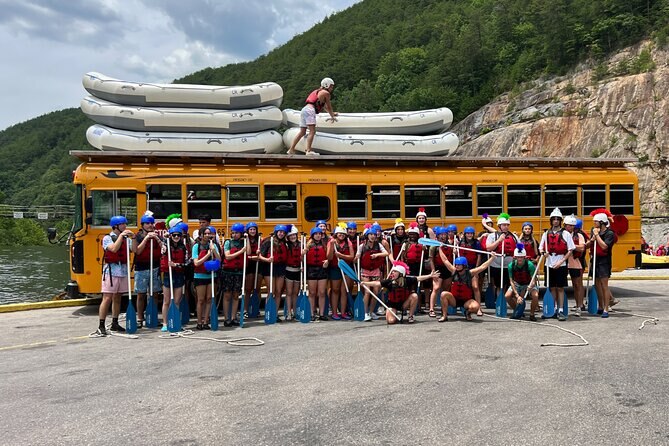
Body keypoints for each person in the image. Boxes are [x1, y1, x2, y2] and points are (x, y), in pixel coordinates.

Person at [361, 261, 439, 325]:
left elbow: (419, 278)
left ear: (401, 273)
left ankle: (410, 316)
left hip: (403, 305)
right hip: (393, 306)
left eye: (395, 272)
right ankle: (392, 314)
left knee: (414, 295)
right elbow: (376, 283)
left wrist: (430, 275)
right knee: (391, 321)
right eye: (393, 272)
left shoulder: (407, 280)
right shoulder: (389, 282)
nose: (392, 273)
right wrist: (365, 283)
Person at [97, 215, 134, 335]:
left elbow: (134, 250)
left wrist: (133, 238)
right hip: (111, 272)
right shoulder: (107, 238)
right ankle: (101, 325)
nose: (125, 226)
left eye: (125, 224)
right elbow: (113, 249)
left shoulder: (126, 239)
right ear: (116, 226)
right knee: (107, 298)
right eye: (122, 224)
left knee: (118, 298)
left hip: (123, 271)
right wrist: (121, 237)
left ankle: (115, 323)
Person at [539, 208, 575, 321]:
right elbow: (541, 248)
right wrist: (544, 254)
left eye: (557, 219)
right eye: (553, 219)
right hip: (549, 263)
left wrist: (561, 261)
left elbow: (570, 250)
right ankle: (552, 309)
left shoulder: (566, 234)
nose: (555, 221)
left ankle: (560, 310)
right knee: (552, 288)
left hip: (561, 264)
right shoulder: (546, 234)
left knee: (560, 288)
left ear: (560, 221)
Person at [287, 77, 338, 155]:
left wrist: (331, 113)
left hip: (304, 110)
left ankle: (291, 149)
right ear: (326, 85)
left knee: (302, 132)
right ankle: (308, 150)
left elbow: (323, 106)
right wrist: (332, 116)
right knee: (312, 131)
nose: (332, 88)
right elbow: (329, 106)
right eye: (331, 86)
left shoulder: (317, 91)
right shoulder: (326, 93)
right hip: (310, 111)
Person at [439, 255, 496, 322]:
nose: (456, 266)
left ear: (464, 266)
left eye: (459, 265)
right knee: (443, 294)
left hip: (466, 301)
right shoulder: (454, 271)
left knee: (476, 307)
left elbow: (482, 267)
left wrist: (492, 258)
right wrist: (440, 248)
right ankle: (444, 316)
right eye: (456, 265)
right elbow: (445, 260)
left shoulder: (470, 273)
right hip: (454, 300)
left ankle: (467, 313)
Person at [131, 212, 162, 328]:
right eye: (147, 223)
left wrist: (157, 239)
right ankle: (140, 318)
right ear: (142, 225)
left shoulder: (157, 235)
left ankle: (152, 315)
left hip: (155, 267)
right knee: (141, 294)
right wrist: (146, 239)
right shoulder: (138, 236)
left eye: (151, 223)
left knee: (154, 294)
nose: (150, 225)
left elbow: (164, 248)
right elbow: (137, 251)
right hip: (141, 268)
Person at [587, 209, 617, 318]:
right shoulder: (594, 230)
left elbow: (604, 246)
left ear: (602, 222)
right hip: (595, 259)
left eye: (596, 222)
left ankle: (606, 308)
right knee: (597, 284)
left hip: (604, 261)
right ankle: (600, 306)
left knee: (604, 285)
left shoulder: (610, 234)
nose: (594, 224)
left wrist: (597, 236)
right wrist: (591, 239)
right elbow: (591, 242)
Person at [355, 225, 389, 321]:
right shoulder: (362, 246)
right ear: (367, 235)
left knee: (375, 292)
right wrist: (357, 257)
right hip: (365, 271)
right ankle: (365, 313)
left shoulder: (378, 245)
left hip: (375, 271)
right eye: (370, 234)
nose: (372, 236)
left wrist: (377, 254)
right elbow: (356, 258)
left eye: (374, 234)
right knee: (367, 292)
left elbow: (386, 253)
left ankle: (371, 312)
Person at [160, 226, 189, 331]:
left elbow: (186, 263)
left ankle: (175, 320)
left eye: (178, 235)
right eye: (174, 235)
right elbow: (163, 252)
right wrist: (165, 239)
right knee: (166, 301)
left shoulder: (183, 247)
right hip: (168, 275)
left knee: (176, 301)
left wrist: (176, 265)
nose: (176, 237)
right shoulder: (166, 245)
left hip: (179, 275)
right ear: (171, 236)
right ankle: (165, 323)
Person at [192, 226, 221, 330]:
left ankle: (206, 321)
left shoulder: (213, 245)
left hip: (212, 275)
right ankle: (199, 322)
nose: (208, 235)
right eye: (206, 234)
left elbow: (219, 259)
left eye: (210, 233)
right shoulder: (196, 246)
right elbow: (196, 263)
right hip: (200, 276)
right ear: (201, 235)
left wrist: (214, 251)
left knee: (209, 299)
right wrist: (208, 254)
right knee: (200, 299)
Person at [258, 225, 289, 322]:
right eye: (279, 232)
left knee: (279, 292)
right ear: (276, 232)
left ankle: (275, 313)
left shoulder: (285, 243)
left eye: (283, 232)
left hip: (280, 268)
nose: (281, 234)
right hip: (269, 268)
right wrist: (267, 259)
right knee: (271, 291)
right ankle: (269, 312)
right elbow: (260, 256)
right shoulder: (268, 241)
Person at [221, 223, 248, 327]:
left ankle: (233, 317)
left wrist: (247, 239)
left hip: (239, 272)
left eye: (237, 233)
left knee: (236, 295)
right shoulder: (228, 242)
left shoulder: (244, 242)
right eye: (233, 232)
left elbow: (248, 251)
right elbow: (227, 256)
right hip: (228, 272)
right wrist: (241, 251)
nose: (234, 234)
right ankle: (226, 318)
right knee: (227, 295)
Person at [485, 213, 517, 300]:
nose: (506, 227)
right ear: (499, 225)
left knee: (507, 285)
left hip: (509, 265)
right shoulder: (492, 236)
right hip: (496, 265)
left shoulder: (514, 237)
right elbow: (488, 248)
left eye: (507, 225)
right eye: (504, 225)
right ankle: (499, 300)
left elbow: (519, 249)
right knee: (498, 285)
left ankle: (505, 301)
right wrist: (499, 240)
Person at [505, 244, 540, 321]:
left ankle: (532, 314)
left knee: (535, 296)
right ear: (515, 257)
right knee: (507, 296)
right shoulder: (511, 265)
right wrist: (517, 296)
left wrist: (530, 286)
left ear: (524, 257)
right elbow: (511, 281)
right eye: (518, 257)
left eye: (521, 257)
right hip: (517, 283)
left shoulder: (530, 265)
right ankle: (518, 311)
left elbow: (533, 281)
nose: (520, 259)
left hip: (529, 283)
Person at [328, 224, 355, 320]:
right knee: (335, 290)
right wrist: (331, 246)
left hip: (346, 268)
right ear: (336, 234)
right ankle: (334, 313)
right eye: (339, 233)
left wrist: (341, 255)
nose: (342, 235)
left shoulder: (348, 242)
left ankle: (343, 312)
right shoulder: (332, 242)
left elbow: (352, 257)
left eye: (343, 234)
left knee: (344, 290)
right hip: (335, 268)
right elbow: (329, 257)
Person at [304, 227, 330, 320]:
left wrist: (327, 261)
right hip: (311, 270)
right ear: (312, 235)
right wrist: (303, 254)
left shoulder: (325, 245)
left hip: (322, 270)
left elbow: (329, 256)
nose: (318, 235)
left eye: (319, 234)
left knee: (322, 292)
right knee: (312, 293)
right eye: (316, 234)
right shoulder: (307, 245)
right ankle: (312, 313)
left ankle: (322, 314)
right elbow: (302, 259)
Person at [459, 226, 484, 315]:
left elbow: (479, 256)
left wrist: (477, 269)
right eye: (468, 233)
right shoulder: (460, 242)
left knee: (475, 287)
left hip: (473, 268)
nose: (469, 235)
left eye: (471, 233)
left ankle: (479, 308)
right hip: (462, 269)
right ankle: (464, 306)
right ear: (465, 234)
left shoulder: (476, 243)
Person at [564, 215, 586, 316]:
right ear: (564, 225)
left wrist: (571, 245)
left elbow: (581, 248)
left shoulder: (579, 236)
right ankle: (559, 307)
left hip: (575, 263)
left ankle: (579, 306)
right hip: (562, 263)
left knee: (577, 285)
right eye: (569, 225)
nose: (571, 227)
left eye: (572, 226)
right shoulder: (561, 235)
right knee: (558, 286)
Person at [428, 226, 451, 318]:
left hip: (447, 269)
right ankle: (431, 309)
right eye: (441, 235)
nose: (443, 236)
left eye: (444, 234)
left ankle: (444, 309)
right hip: (438, 268)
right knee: (436, 288)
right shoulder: (434, 245)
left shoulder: (450, 244)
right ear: (437, 236)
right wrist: (433, 271)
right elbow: (431, 259)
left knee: (445, 291)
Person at [284, 225, 303, 321]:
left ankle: (295, 312)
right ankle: (288, 312)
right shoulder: (286, 245)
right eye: (291, 236)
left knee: (296, 293)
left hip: (298, 271)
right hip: (289, 270)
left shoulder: (301, 244)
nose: (293, 237)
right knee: (289, 292)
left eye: (294, 235)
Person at [243, 222, 261, 317]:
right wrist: (247, 239)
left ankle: (256, 308)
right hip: (249, 265)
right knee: (248, 289)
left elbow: (262, 253)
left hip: (258, 265)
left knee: (257, 289)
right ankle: (245, 309)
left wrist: (259, 253)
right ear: (247, 231)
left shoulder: (259, 239)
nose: (253, 231)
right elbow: (248, 253)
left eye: (254, 229)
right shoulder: (245, 240)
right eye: (251, 229)